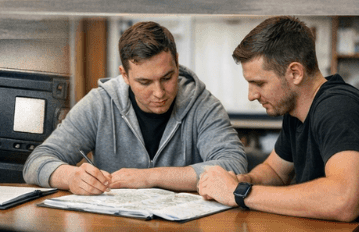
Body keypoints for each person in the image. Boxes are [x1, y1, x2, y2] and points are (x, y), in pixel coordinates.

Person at [23, 21, 246, 194]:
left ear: (177, 62)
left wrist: (150, 177)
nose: (159, 93)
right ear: (125, 75)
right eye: (145, 82)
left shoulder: (203, 105)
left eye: (167, 77)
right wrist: (70, 177)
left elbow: (234, 165)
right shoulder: (99, 104)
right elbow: (36, 162)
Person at [198, 16, 359, 222]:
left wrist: (239, 193)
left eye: (259, 83)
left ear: (295, 73)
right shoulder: (295, 111)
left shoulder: (337, 107)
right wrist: (242, 180)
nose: (251, 95)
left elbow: (344, 200)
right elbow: (275, 172)